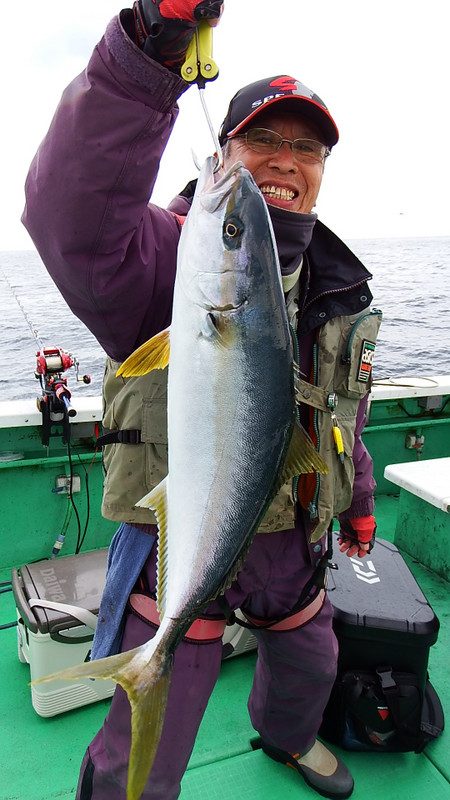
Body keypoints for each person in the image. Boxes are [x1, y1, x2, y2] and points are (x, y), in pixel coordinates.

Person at [22, 3, 381, 799]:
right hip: (182, 535)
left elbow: (338, 418)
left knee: (312, 661)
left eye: (307, 149)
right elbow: (69, 214)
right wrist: (149, 51)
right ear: (224, 150)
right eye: (263, 140)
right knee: (147, 749)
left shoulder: (339, 287)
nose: (285, 161)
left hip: (296, 535)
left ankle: (286, 740)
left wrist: (356, 500)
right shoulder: (163, 258)